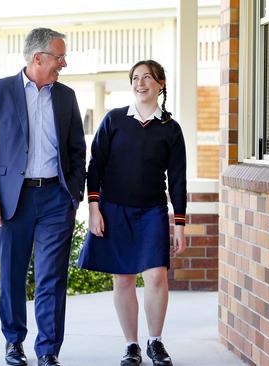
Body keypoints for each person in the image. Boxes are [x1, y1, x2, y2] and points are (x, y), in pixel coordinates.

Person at [0, 28, 86, 366]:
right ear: (38, 58)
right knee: (11, 273)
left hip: (55, 199)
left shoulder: (66, 96)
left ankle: (48, 349)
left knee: (52, 275)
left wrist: (74, 195)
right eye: (59, 57)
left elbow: (77, 150)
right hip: (13, 200)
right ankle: (13, 342)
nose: (63, 63)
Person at [78, 60, 186, 366]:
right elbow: (95, 166)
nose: (141, 83)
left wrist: (179, 225)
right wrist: (94, 208)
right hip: (113, 210)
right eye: (135, 78)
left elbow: (178, 179)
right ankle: (131, 345)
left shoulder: (171, 129)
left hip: (151, 211)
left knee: (155, 276)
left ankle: (155, 341)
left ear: (161, 83)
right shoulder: (113, 120)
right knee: (123, 280)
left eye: (147, 78)